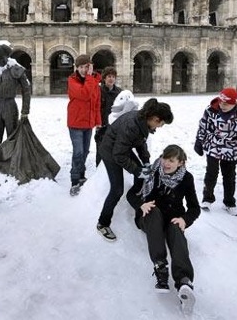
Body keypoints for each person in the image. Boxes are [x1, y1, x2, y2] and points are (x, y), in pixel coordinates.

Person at [126, 144, 199, 315]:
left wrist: (184, 220)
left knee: (175, 228)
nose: (166, 163)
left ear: (181, 163)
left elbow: (195, 208)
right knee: (154, 211)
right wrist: (141, 204)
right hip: (149, 216)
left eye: (171, 161)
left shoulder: (186, 178)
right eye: (165, 158)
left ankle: (184, 282)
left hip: (172, 218)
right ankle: (160, 268)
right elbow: (131, 194)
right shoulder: (149, 170)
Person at [97, 98, 174, 241]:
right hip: (110, 150)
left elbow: (140, 142)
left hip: (120, 147)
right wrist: (137, 170)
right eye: (161, 124)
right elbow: (118, 155)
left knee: (141, 174)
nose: (159, 127)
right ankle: (103, 223)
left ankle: (137, 200)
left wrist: (145, 162)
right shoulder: (131, 125)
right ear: (156, 119)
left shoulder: (143, 121)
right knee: (117, 190)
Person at [193, 87, 237, 216]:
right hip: (213, 145)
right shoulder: (211, 110)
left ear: (234, 103)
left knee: (229, 176)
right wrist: (199, 141)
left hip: (231, 147)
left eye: (226, 103)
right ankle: (207, 198)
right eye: (221, 102)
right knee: (211, 173)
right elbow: (203, 126)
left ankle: (229, 202)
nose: (222, 105)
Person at [67, 54, 102, 196]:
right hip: (75, 123)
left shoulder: (93, 81)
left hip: (88, 123)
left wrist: (98, 121)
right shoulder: (72, 81)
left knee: (85, 151)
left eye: (85, 67)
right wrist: (89, 77)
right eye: (80, 67)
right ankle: (74, 180)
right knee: (78, 152)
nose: (83, 70)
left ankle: (81, 175)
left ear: (90, 66)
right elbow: (85, 94)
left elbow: (97, 103)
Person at [0, 40, 31, 144]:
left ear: (6, 56)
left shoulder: (16, 69)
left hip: (9, 105)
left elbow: (26, 90)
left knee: (12, 138)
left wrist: (25, 111)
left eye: (0, 58)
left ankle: (11, 159)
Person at [94, 66, 121, 166]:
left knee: (114, 150)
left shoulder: (119, 92)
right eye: (109, 76)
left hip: (115, 126)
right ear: (104, 78)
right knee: (100, 151)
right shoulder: (98, 91)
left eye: (113, 76)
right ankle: (99, 172)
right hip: (101, 125)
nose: (111, 79)